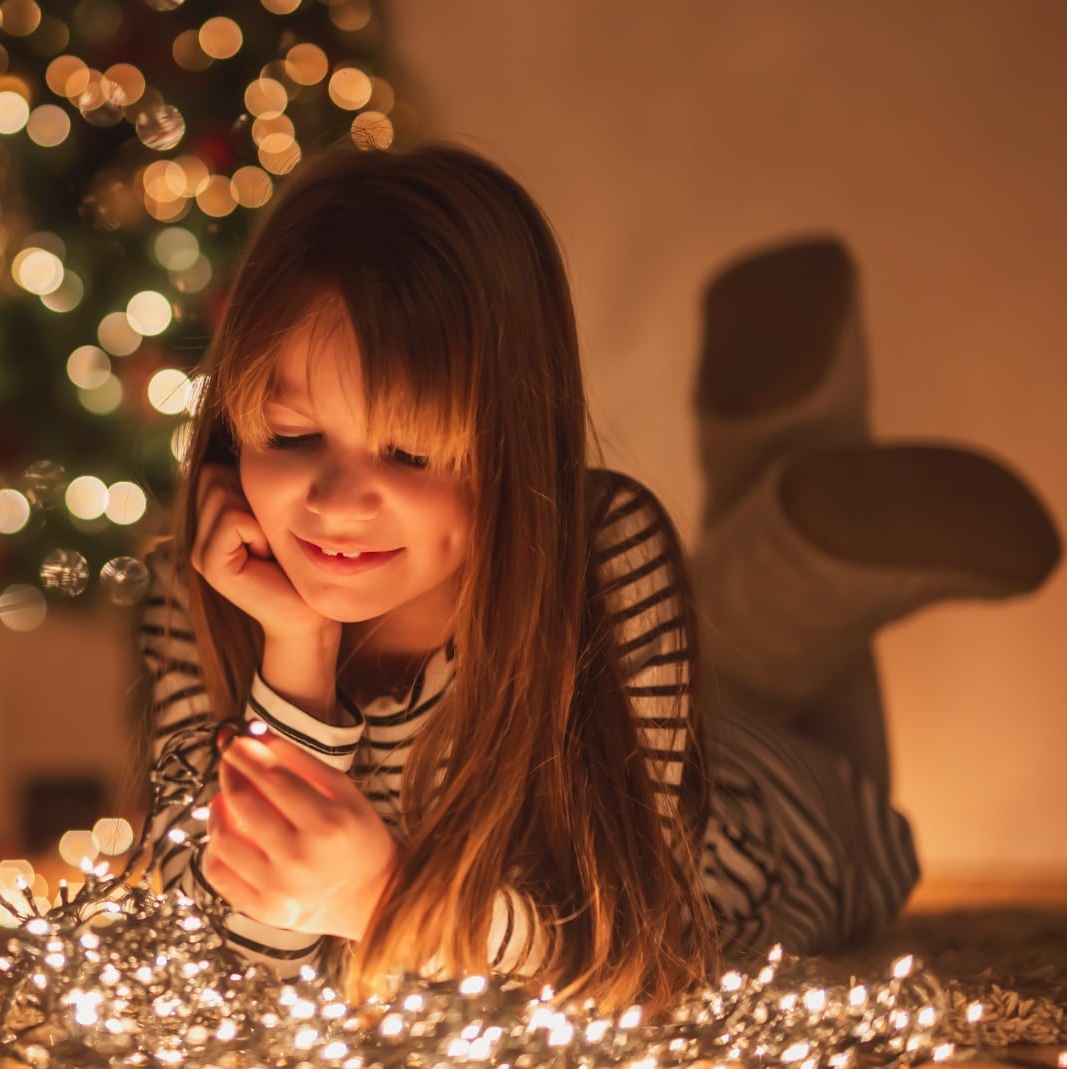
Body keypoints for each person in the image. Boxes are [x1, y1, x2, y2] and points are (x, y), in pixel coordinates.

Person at [134, 139, 1060, 1015]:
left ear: (515, 439)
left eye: (412, 453)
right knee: (733, 653)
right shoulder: (204, 587)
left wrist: (385, 899)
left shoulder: (605, 555)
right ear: (233, 423)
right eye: (293, 438)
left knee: (781, 688)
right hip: (634, 709)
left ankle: (799, 498)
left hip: (772, 818)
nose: (337, 503)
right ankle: (787, 464)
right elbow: (220, 964)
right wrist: (296, 656)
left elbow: (643, 958)